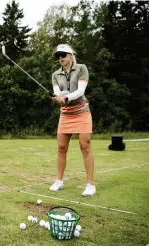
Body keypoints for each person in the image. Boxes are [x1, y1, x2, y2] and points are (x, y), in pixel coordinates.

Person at [49, 44, 96, 196]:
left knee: (85, 146)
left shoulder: (82, 68)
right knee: (61, 148)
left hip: (82, 112)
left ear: (71, 55)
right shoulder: (56, 75)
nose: (60, 58)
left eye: (63, 55)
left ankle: (90, 185)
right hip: (66, 114)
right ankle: (59, 181)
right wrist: (58, 98)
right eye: (58, 56)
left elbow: (81, 91)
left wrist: (66, 97)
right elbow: (58, 93)